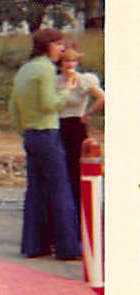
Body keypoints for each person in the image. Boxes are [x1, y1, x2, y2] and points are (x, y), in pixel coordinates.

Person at [8, 28, 80, 261]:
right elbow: (49, 104)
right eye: (58, 44)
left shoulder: (25, 69)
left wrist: (25, 131)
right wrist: (67, 90)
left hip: (31, 135)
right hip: (48, 133)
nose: (62, 48)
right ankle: (68, 247)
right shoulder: (47, 68)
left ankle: (35, 245)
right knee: (60, 190)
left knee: (36, 192)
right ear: (48, 46)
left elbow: (13, 107)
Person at [56, 45, 105, 212]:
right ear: (60, 64)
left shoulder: (84, 80)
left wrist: (88, 113)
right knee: (62, 165)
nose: (70, 64)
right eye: (66, 61)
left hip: (76, 123)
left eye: (73, 61)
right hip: (59, 124)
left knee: (76, 164)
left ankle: (80, 205)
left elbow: (102, 98)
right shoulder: (55, 81)